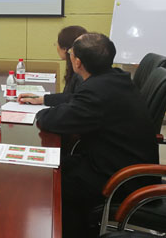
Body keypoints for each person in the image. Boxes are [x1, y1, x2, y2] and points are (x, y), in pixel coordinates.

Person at [35, 33, 158, 238]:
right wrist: (49, 101)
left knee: (52, 182)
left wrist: (41, 113)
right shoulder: (114, 78)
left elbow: (56, 120)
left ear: (77, 62)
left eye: (71, 53)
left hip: (123, 178)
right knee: (52, 166)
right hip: (119, 162)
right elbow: (75, 102)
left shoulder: (96, 91)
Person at [18, 25, 87, 106]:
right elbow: (68, 97)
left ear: (66, 49)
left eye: (57, 43)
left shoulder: (80, 72)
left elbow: (74, 100)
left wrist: (43, 101)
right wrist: (42, 99)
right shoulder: (80, 66)